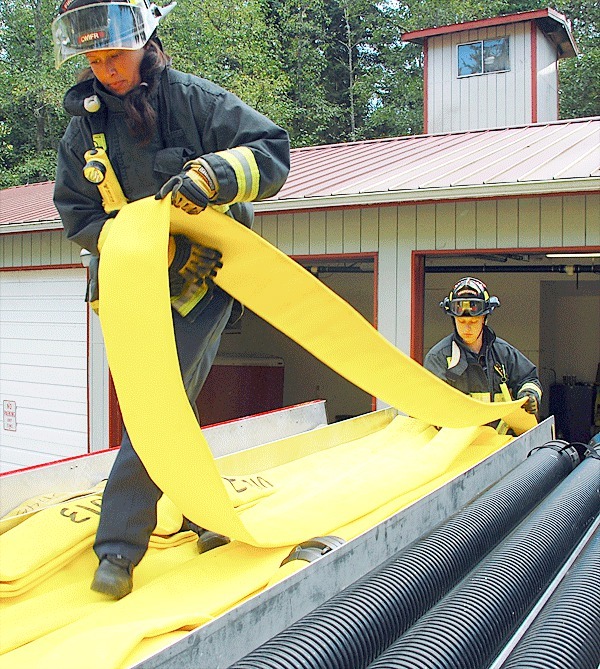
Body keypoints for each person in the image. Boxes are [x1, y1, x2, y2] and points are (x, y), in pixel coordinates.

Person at [52, 0, 290, 599]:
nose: (107, 71)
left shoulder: (190, 99)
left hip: (203, 280)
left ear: (144, 41)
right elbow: (77, 214)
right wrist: (152, 252)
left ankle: (117, 549)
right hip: (132, 285)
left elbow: (271, 150)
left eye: (116, 56)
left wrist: (214, 178)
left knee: (158, 403)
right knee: (168, 403)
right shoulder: (84, 127)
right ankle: (202, 512)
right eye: (95, 60)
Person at [424, 277, 542, 418]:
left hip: (500, 438)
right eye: (461, 321)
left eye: (474, 321)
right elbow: (432, 406)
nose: (467, 328)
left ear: (485, 319)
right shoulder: (439, 358)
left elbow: (529, 379)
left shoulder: (503, 354)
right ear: (453, 319)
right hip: (458, 438)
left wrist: (529, 395)